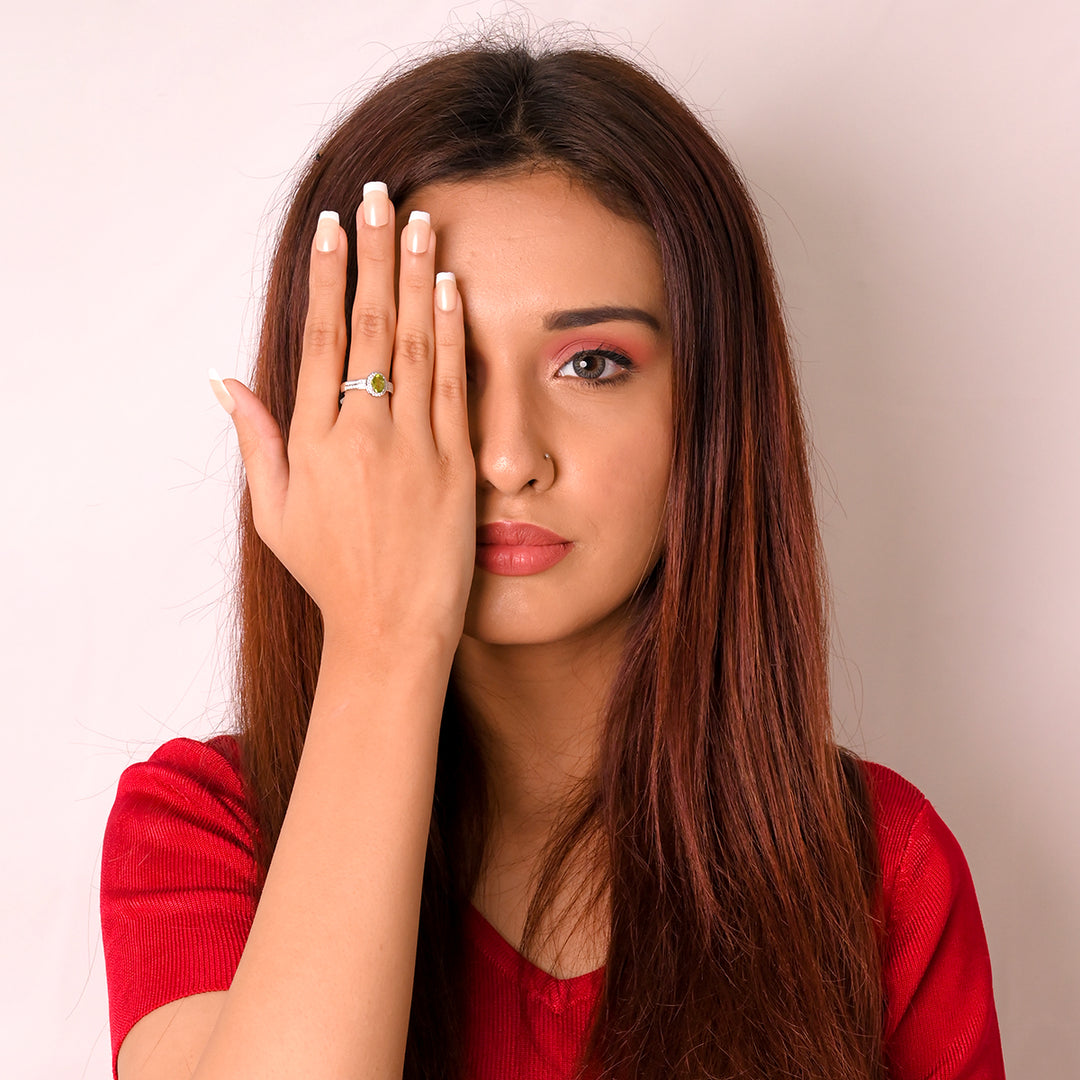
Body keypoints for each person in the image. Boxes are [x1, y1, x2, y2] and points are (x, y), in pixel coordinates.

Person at [99, 37, 1006, 1080]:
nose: (507, 456)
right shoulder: (203, 835)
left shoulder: (882, 873)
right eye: (429, 367)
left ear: (707, 411)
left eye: (591, 363)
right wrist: (385, 635)